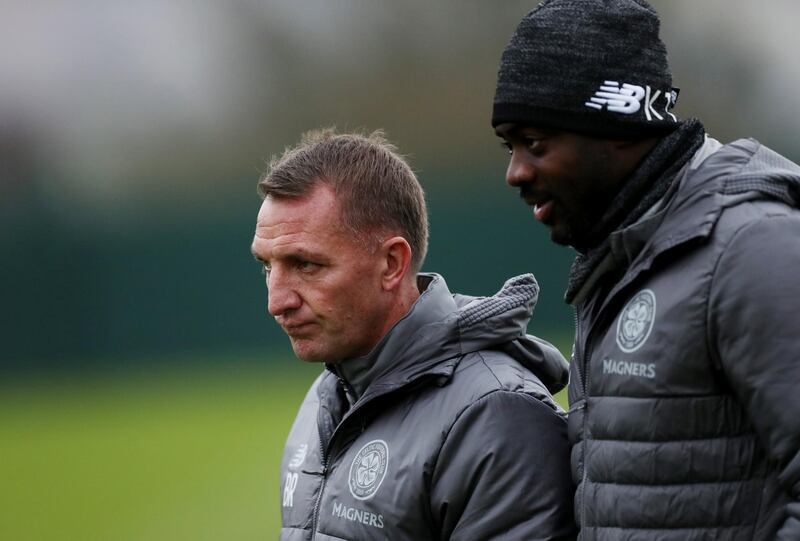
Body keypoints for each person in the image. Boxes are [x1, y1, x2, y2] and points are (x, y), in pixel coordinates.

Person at [491, 1, 800, 539]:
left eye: (535, 143)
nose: (515, 172)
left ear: (619, 122)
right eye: (510, 146)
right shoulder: (624, 258)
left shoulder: (753, 248)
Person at [251, 128, 577, 540]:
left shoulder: (497, 418)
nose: (277, 301)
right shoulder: (328, 395)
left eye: (306, 265)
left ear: (391, 263)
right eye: (267, 266)